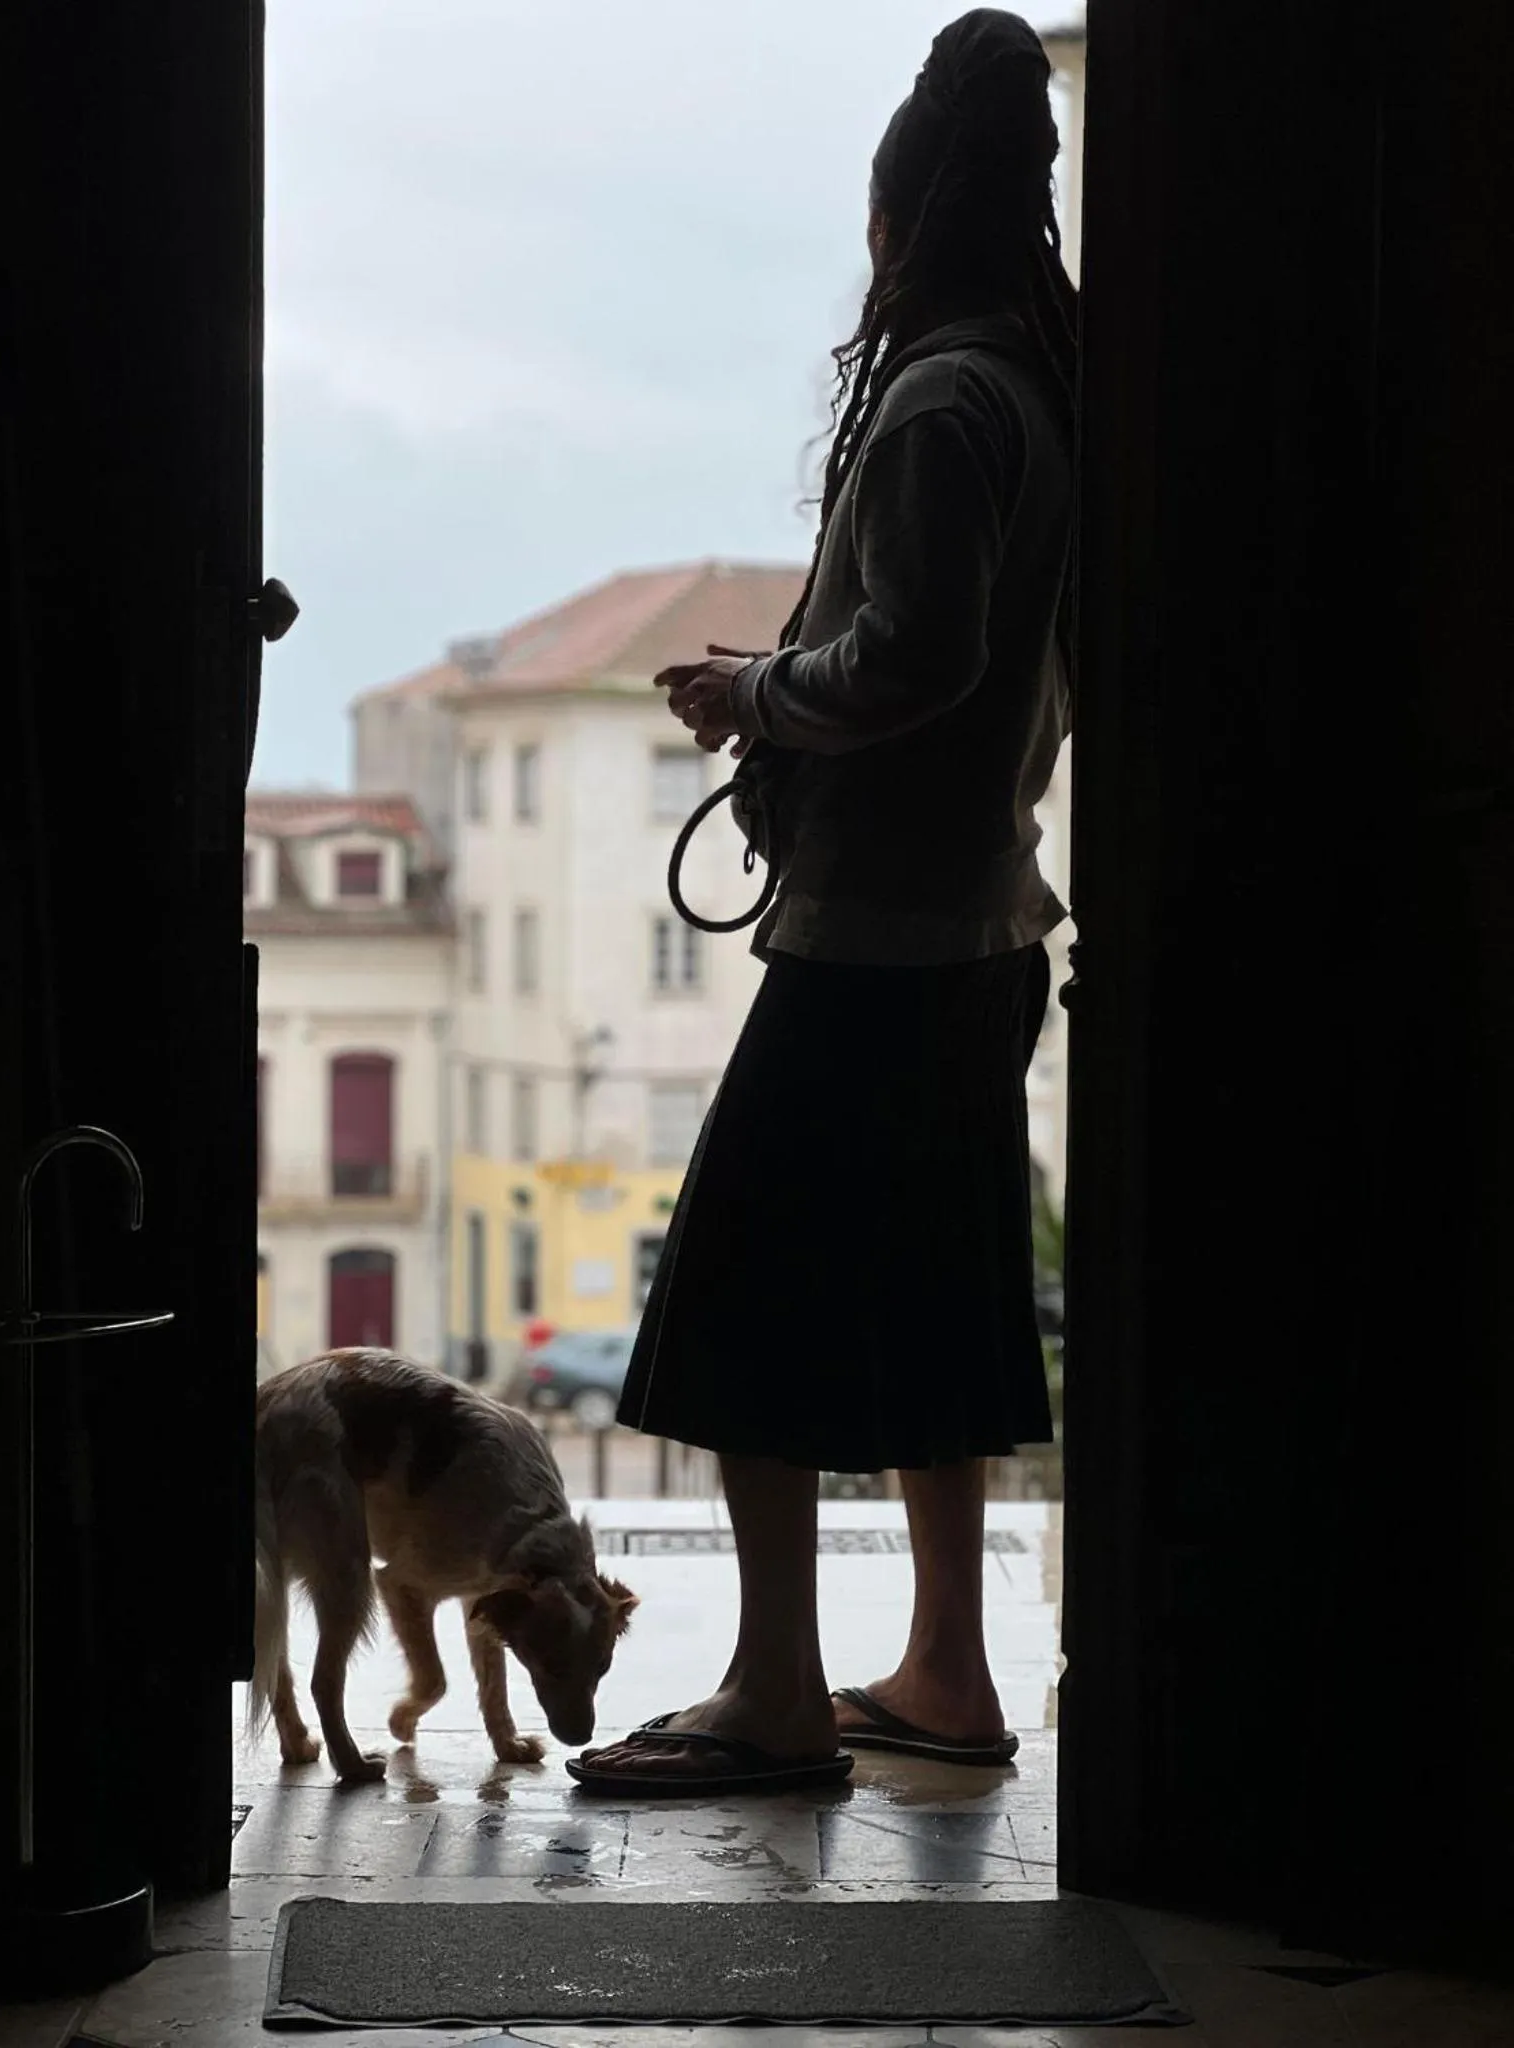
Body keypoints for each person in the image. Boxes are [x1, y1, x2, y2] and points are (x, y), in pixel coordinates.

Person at [569, 8, 1077, 1794]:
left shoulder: (943, 399)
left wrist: (761, 697)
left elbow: (920, 652)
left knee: (740, 1306)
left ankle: (778, 1695)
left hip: (879, 940)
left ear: (895, 219)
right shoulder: (1040, 385)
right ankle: (947, 1670)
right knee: (945, 1306)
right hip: (980, 929)